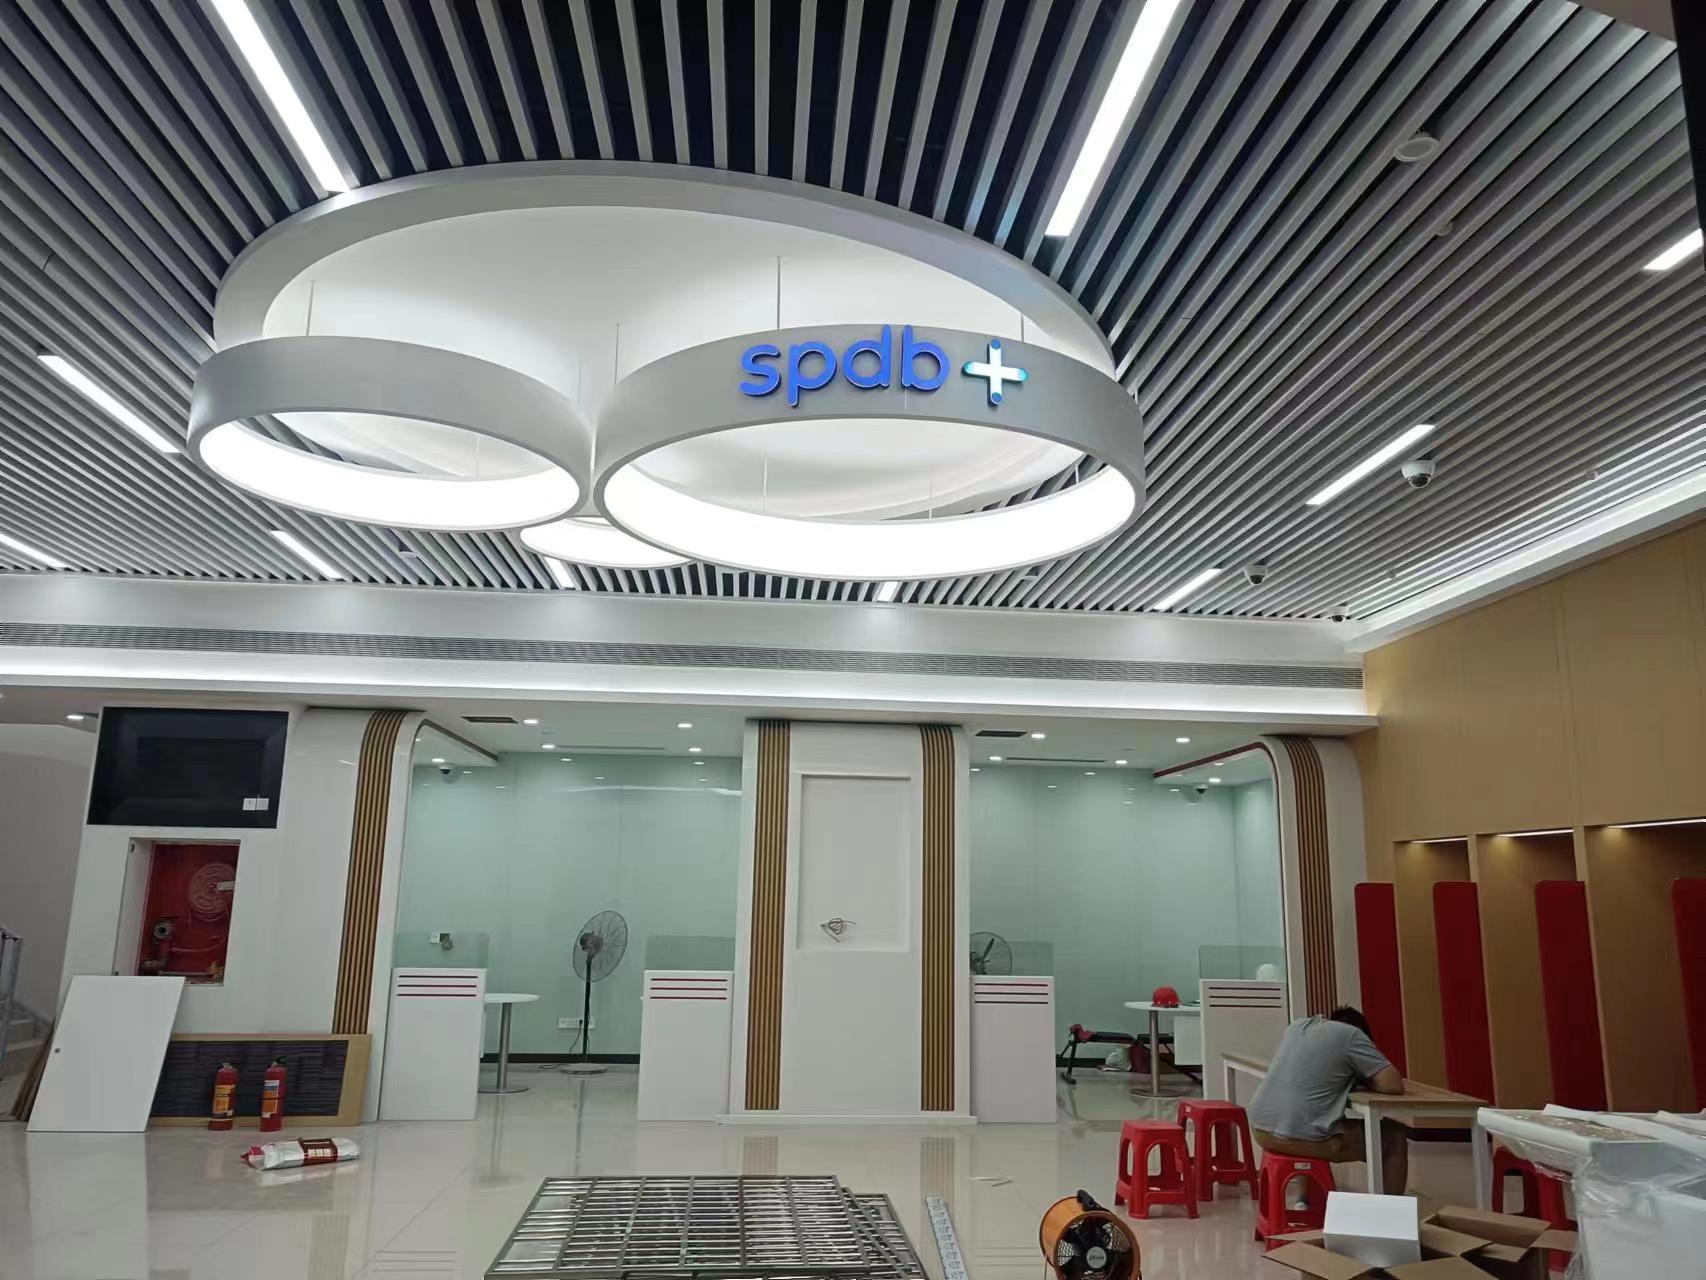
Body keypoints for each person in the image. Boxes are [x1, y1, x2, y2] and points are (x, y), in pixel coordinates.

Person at [1248, 1005, 1409, 1194]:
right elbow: (1392, 1084)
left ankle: (1304, 1200)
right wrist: (1364, 1077)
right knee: (1394, 1136)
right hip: (1298, 1136)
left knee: (1313, 1117)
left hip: (1260, 1129)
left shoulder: (1298, 1026)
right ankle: (1390, 1211)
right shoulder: (1352, 1035)